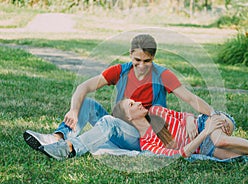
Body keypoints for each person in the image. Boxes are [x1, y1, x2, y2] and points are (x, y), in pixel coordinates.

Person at [24, 34, 225, 155]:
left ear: (153, 58)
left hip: (141, 136)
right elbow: (83, 87)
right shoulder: (120, 71)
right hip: (118, 126)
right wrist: (74, 110)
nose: (142, 65)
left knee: (109, 122)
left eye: (147, 61)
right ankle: (57, 137)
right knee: (86, 104)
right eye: (137, 60)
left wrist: (215, 114)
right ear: (130, 54)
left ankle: (69, 149)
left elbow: (190, 98)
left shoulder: (162, 75)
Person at [109, 99, 248, 167]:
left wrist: (194, 122)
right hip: (204, 145)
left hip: (206, 121)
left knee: (221, 141)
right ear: (128, 118)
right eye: (132, 105)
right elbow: (180, 155)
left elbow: (186, 114)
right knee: (247, 158)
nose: (139, 103)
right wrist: (204, 134)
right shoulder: (147, 144)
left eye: (134, 101)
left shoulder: (157, 111)